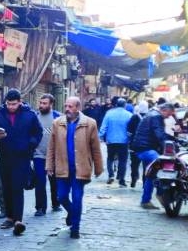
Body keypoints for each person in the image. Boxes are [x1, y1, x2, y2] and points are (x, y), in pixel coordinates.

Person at [0, 88, 42, 236]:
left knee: (17, 187)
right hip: (4, 157)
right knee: (6, 188)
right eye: (9, 104)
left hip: (22, 157)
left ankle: (18, 220)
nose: (11, 107)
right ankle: (9, 217)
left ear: (20, 102)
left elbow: (38, 132)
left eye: (14, 104)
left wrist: (30, 145)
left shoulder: (29, 115)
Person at [46, 97, 104, 239]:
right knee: (62, 196)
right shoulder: (57, 123)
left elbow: (95, 148)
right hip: (62, 167)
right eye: (66, 106)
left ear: (78, 108)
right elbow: (51, 146)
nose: (67, 109)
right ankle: (72, 213)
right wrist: (49, 165)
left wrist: (98, 167)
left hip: (81, 169)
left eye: (70, 106)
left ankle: (75, 228)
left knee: (77, 198)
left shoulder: (90, 124)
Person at [131, 102, 175, 210]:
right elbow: (160, 135)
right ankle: (160, 193)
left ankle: (145, 201)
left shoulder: (152, 114)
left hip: (142, 147)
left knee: (150, 174)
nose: (169, 117)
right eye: (169, 114)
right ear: (164, 110)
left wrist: (173, 138)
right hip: (146, 148)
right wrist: (172, 147)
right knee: (160, 167)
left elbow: (159, 133)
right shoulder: (156, 116)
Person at [32, 94, 60, 216]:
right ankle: (40, 208)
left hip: (54, 156)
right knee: (40, 181)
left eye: (45, 103)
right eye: (41, 103)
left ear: (51, 104)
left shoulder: (58, 117)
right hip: (38, 155)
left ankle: (56, 203)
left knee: (54, 181)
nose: (41, 105)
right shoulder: (35, 117)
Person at [99, 98, 133, 187]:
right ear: (125, 105)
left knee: (110, 158)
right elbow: (131, 129)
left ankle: (111, 175)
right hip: (124, 141)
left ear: (116, 104)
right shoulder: (129, 115)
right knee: (123, 160)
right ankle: (121, 179)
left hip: (111, 140)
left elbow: (103, 127)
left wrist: (100, 137)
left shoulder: (109, 114)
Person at [127, 100, 148, 188]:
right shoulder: (150, 117)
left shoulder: (134, 117)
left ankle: (133, 180)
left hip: (135, 145)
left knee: (134, 164)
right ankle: (144, 183)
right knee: (146, 165)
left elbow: (129, 131)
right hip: (147, 145)